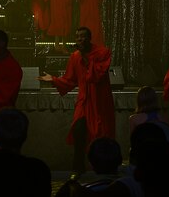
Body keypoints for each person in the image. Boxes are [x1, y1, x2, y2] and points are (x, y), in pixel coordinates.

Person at [40, 26, 115, 173]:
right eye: (77, 37)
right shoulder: (75, 57)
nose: (79, 39)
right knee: (79, 130)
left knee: (101, 136)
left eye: (82, 36)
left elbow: (96, 76)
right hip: (84, 102)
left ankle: (102, 170)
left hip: (100, 103)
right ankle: (78, 169)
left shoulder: (102, 53)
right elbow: (70, 80)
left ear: (89, 38)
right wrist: (54, 80)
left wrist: (85, 58)